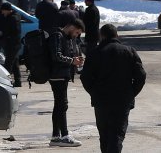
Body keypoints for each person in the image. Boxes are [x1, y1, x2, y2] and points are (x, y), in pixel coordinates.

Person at [80, 24, 146, 153]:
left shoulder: (94, 53)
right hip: (122, 100)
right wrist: (131, 93)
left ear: (101, 36)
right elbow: (141, 76)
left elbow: (85, 77)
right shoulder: (129, 51)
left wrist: (94, 92)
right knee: (116, 135)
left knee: (104, 136)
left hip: (101, 100)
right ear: (117, 35)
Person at [48, 19, 86, 147]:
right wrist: (72, 61)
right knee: (62, 105)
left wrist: (75, 59)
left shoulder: (65, 37)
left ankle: (55, 136)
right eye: (76, 32)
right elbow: (56, 56)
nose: (76, 35)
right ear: (71, 27)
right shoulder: (57, 36)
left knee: (59, 105)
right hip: (57, 75)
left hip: (61, 75)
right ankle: (64, 135)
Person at [0, 2, 23, 87]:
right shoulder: (14, 16)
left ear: (7, 10)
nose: (2, 13)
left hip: (12, 44)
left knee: (8, 64)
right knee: (15, 63)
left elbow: (12, 31)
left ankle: (5, 82)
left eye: (3, 11)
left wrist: (3, 33)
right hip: (14, 43)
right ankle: (18, 81)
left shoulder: (12, 18)